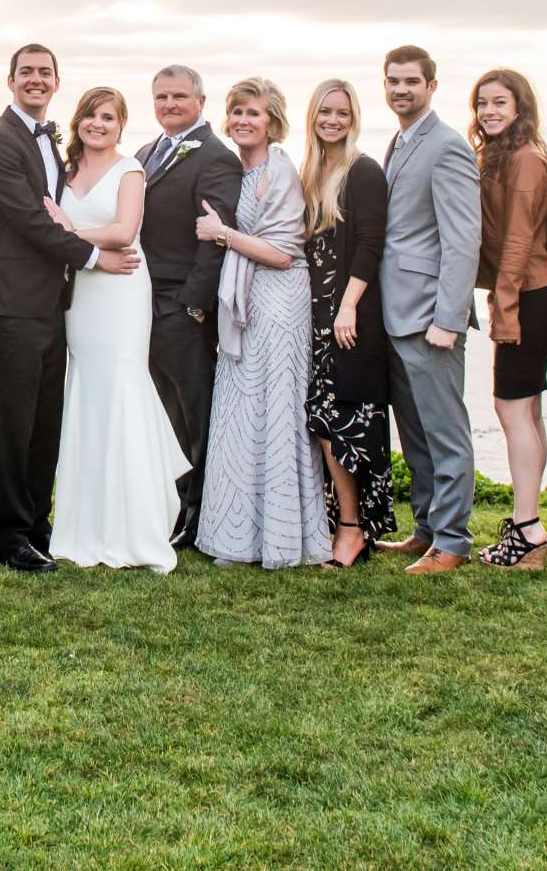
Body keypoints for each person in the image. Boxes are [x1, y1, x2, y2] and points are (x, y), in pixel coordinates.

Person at [0, 43, 140, 571]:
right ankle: (10, 536)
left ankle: (39, 525)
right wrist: (95, 256)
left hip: (53, 306)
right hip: (11, 306)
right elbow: (27, 220)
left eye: (45, 73)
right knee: (15, 424)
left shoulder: (52, 145)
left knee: (46, 423)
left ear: (57, 82)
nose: (36, 80)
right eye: (27, 73)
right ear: (10, 80)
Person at [44, 87, 187, 572]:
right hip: (81, 295)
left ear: (121, 126)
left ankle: (135, 526)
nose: (97, 124)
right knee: (86, 394)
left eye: (108, 117)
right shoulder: (62, 171)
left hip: (121, 289)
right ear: (78, 120)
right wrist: (65, 239)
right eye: (90, 115)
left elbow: (124, 232)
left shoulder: (131, 170)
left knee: (122, 389)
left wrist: (62, 232)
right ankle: (84, 525)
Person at [196, 78, 330, 570]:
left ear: (272, 121)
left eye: (253, 113)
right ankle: (237, 535)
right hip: (247, 301)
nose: (243, 121)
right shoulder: (242, 171)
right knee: (240, 410)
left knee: (275, 411)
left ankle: (281, 538)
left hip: (278, 302)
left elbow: (282, 252)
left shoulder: (279, 169)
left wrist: (222, 234)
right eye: (236, 113)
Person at [374, 46, 482, 576]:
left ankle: (454, 541)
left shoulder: (447, 147)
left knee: (444, 431)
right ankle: (425, 529)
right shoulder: (399, 141)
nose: (400, 90)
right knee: (414, 431)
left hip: (429, 316)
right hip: (396, 312)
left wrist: (449, 318)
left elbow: (463, 240)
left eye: (411, 81)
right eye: (393, 81)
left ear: (432, 86)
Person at [133, 64, 242, 550]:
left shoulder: (216, 158)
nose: (169, 104)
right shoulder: (145, 152)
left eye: (179, 96)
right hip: (142, 305)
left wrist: (194, 306)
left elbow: (215, 238)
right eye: (161, 97)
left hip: (181, 308)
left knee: (197, 415)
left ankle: (200, 518)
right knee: (166, 414)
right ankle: (175, 506)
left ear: (201, 101)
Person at [468, 68, 547, 570]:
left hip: (530, 295)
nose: (489, 111)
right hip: (527, 294)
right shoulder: (501, 156)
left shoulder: (526, 160)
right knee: (526, 411)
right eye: (482, 103)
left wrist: (504, 311)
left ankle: (527, 530)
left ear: (519, 105)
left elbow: (518, 243)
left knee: (511, 409)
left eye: (499, 102)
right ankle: (528, 522)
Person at [299, 78, 394, 567]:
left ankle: (353, 529)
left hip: (349, 319)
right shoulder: (312, 174)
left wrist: (349, 306)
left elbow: (370, 245)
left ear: (354, 117)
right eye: (324, 112)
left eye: (341, 112)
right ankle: (343, 523)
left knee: (346, 425)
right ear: (312, 116)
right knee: (322, 421)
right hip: (315, 317)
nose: (333, 120)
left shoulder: (364, 171)